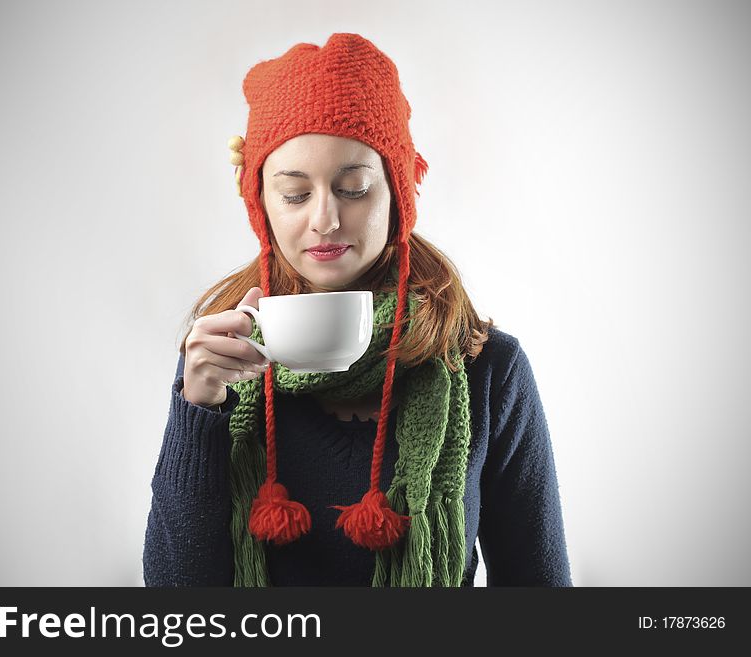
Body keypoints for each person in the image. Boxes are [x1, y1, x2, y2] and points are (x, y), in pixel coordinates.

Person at [143, 33, 572, 586]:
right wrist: (198, 411)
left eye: (353, 188)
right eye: (295, 195)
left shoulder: (486, 369)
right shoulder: (224, 357)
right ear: (261, 204)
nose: (324, 219)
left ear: (396, 195)